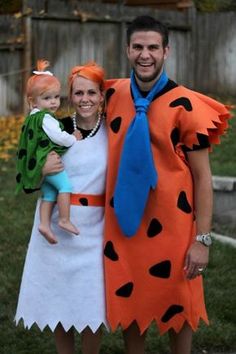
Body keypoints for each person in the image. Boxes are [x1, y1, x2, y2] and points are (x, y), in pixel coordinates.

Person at [102, 15, 231, 354]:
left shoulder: (187, 104)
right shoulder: (111, 95)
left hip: (174, 228)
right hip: (125, 226)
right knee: (130, 305)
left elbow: (203, 178)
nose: (146, 55)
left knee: (180, 307)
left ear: (167, 51)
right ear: (128, 50)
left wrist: (202, 240)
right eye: (138, 47)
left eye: (153, 47)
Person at [15, 62, 108, 354]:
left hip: (94, 228)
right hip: (55, 226)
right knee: (60, 299)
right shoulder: (54, 127)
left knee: (92, 303)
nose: (85, 99)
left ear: (102, 95)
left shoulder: (111, 131)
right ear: (69, 96)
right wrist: (40, 170)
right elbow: (24, 169)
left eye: (92, 92)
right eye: (78, 92)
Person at [16, 59, 80, 244]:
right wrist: (73, 138)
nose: (53, 102)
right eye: (47, 98)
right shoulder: (46, 118)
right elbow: (59, 136)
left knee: (49, 194)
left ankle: (44, 224)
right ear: (32, 101)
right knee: (65, 187)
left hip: (39, 160)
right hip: (48, 159)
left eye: (56, 97)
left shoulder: (32, 117)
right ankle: (64, 219)